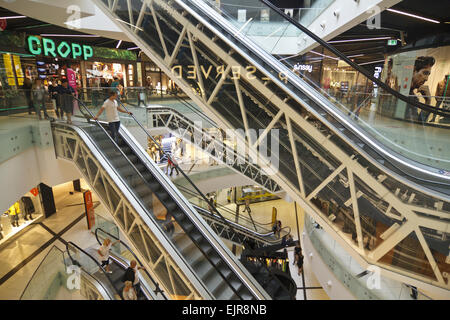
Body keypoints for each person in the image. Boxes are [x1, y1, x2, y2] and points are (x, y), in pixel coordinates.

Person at [405, 56, 435, 122]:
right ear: (413, 71)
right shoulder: (401, 94)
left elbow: (417, 124)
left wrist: (428, 101)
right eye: (425, 73)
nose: (426, 79)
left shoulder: (413, 97)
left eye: (428, 74)